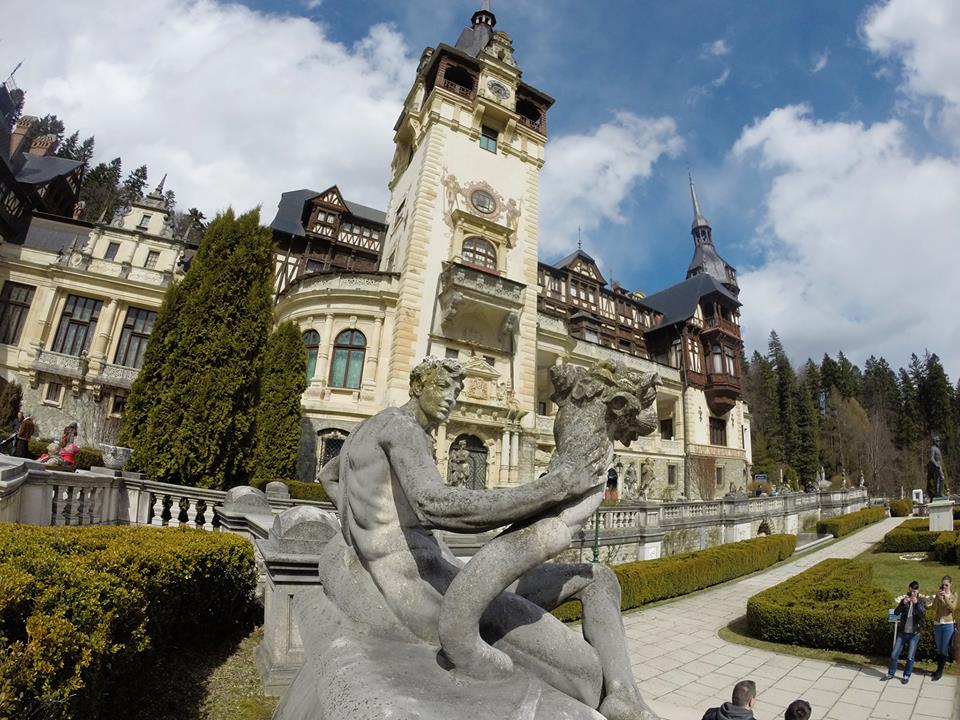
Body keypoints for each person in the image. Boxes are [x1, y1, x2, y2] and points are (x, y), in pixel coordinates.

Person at [319, 357, 658, 719]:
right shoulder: (403, 429)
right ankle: (614, 699)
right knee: (585, 675)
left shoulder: (366, 428)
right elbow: (436, 505)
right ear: (417, 387)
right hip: (427, 594)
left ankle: (624, 696)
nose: (451, 397)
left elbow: (329, 476)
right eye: (442, 387)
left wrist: (359, 527)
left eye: (457, 390)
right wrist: (552, 487)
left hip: (442, 572)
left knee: (599, 578)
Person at [886, 580, 926, 683]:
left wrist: (916, 603)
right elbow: (896, 612)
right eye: (910, 591)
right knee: (894, 654)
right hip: (903, 632)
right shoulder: (905, 600)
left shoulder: (921, 601)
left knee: (910, 657)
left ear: (918, 591)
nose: (912, 594)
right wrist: (903, 603)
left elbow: (922, 615)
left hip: (914, 634)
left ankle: (906, 676)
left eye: (914, 591)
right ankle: (891, 673)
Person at [930, 574, 957, 681]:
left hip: (948, 624)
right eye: (943, 585)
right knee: (939, 648)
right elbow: (933, 608)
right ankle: (938, 669)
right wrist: (937, 597)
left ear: (950, 584)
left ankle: (940, 671)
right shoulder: (939, 594)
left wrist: (945, 597)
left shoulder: (954, 595)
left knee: (944, 648)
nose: (944, 587)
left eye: (946, 585)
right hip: (938, 623)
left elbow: (953, 608)